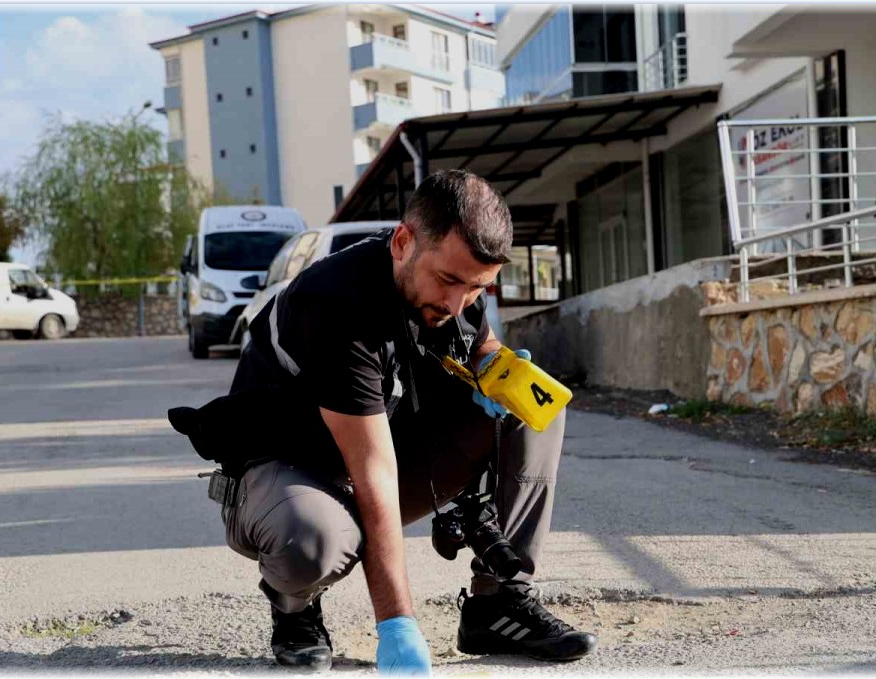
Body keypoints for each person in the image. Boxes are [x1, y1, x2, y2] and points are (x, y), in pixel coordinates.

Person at [218, 170, 596, 673]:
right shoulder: (337, 304)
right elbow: (373, 472)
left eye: (477, 287)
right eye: (449, 281)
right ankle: (296, 608)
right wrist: (397, 623)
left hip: (375, 454)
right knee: (312, 541)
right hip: (285, 474)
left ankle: (497, 602)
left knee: (536, 403)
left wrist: (494, 368)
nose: (457, 301)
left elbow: (478, 342)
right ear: (402, 242)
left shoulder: (453, 286)